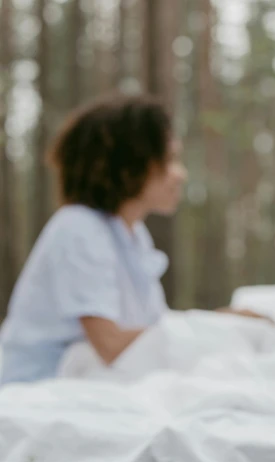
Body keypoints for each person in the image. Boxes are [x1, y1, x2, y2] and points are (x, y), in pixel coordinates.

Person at [0, 95, 187, 384]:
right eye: (170, 159)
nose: (180, 175)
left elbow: (155, 329)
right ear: (130, 166)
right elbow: (110, 345)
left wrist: (226, 323)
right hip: (31, 396)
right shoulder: (79, 229)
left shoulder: (132, 235)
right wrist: (205, 331)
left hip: (80, 390)